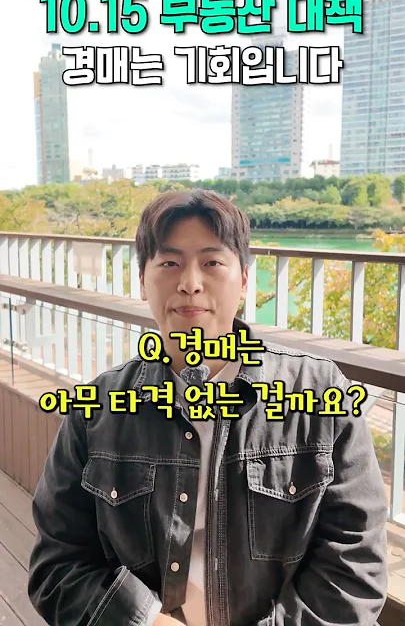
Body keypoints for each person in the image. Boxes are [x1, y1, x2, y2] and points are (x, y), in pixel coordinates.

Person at [28, 188, 388, 626]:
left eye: (212, 262)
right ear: (142, 280)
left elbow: (356, 566)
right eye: (169, 263)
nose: (190, 283)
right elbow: (58, 564)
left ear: (245, 280)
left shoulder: (320, 395)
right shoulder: (97, 410)